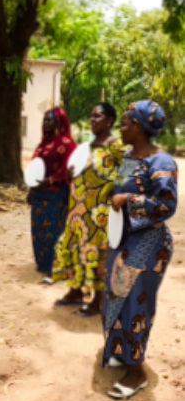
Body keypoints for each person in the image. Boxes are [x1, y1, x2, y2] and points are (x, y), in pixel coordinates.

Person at [102, 100, 175, 401]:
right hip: (123, 239)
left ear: (141, 127)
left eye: (126, 122)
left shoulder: (162, 163)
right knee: (115, 297)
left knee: (136, 306)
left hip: (149, 242)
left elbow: (166, 206)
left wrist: (129, 200)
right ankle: (120, 351)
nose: (121, 126)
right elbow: (119, 189)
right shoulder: (128, 157)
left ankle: (137, 373)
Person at [52, 103, 123, 316]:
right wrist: (70, 175)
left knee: (97, 255)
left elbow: (127, 175)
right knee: (74, 248)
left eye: (98, 116)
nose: (93, 120)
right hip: (78, 210)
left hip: (98, 214)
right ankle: (75, 291)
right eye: (91, 116)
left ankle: (97, 302)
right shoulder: (88, 146)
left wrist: (111, 188)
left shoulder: (117, 146)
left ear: (109, 120)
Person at [29, 107, 76, 280]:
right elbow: (34, 169)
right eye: (44, 120)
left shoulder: (66, 144)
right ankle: (43, 262)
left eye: (50, 120)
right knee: (39, 229)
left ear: (59, 122)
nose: (45, 123)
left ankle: (56, 265)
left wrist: (49, 181)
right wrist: (31, 189)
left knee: (54, 230)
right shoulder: (42, 145)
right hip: (39, 194)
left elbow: (68, 169)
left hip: (56, 194)